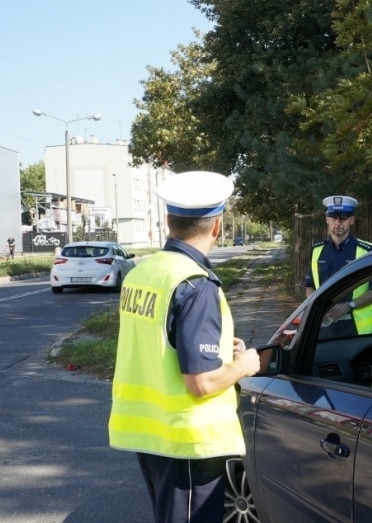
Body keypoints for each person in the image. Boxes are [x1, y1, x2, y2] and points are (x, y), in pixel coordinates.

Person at [108, 171, 261, 523]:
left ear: (168, 221)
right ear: (218, 225)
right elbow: (201, 382)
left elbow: (160, 341)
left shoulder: (142, 274)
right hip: (189, 442)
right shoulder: (195, 283)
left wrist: (222, 349)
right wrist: (244, 365)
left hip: (151, 437)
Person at [304, 195, 372, 335]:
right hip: (322, 326)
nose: (338, 223)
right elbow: (310, 286)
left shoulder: (367, 250)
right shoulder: (317, 250)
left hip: (356, 328)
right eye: (334, 218)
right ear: (327, 219)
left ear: (351, 220)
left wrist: (349, 305)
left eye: (343, 218)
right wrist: (318, 305)